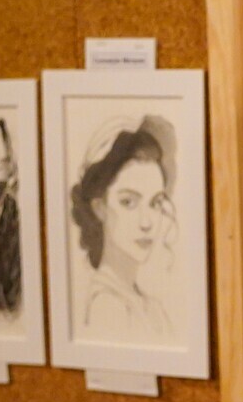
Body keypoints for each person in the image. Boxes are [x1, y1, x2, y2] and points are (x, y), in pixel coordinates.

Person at [69, 116, 178, 340]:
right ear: (99, 207)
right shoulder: (107, 305)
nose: (147, 223)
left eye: (155, 203)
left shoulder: (149, 306)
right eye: (129, 202)